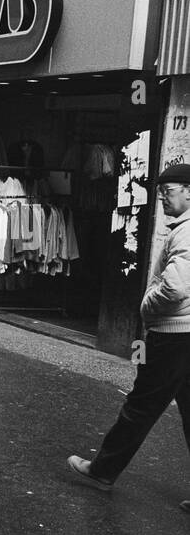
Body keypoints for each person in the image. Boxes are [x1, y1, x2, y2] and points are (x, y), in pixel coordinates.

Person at [69, 164, 190, 508]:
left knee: (140, 406)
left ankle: (102, 470)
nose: (163, 198)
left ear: (189, 192)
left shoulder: (186, 232)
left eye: (169, 191)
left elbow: (176, 287)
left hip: (173, 334)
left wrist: (147, 303)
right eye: (161, 192)